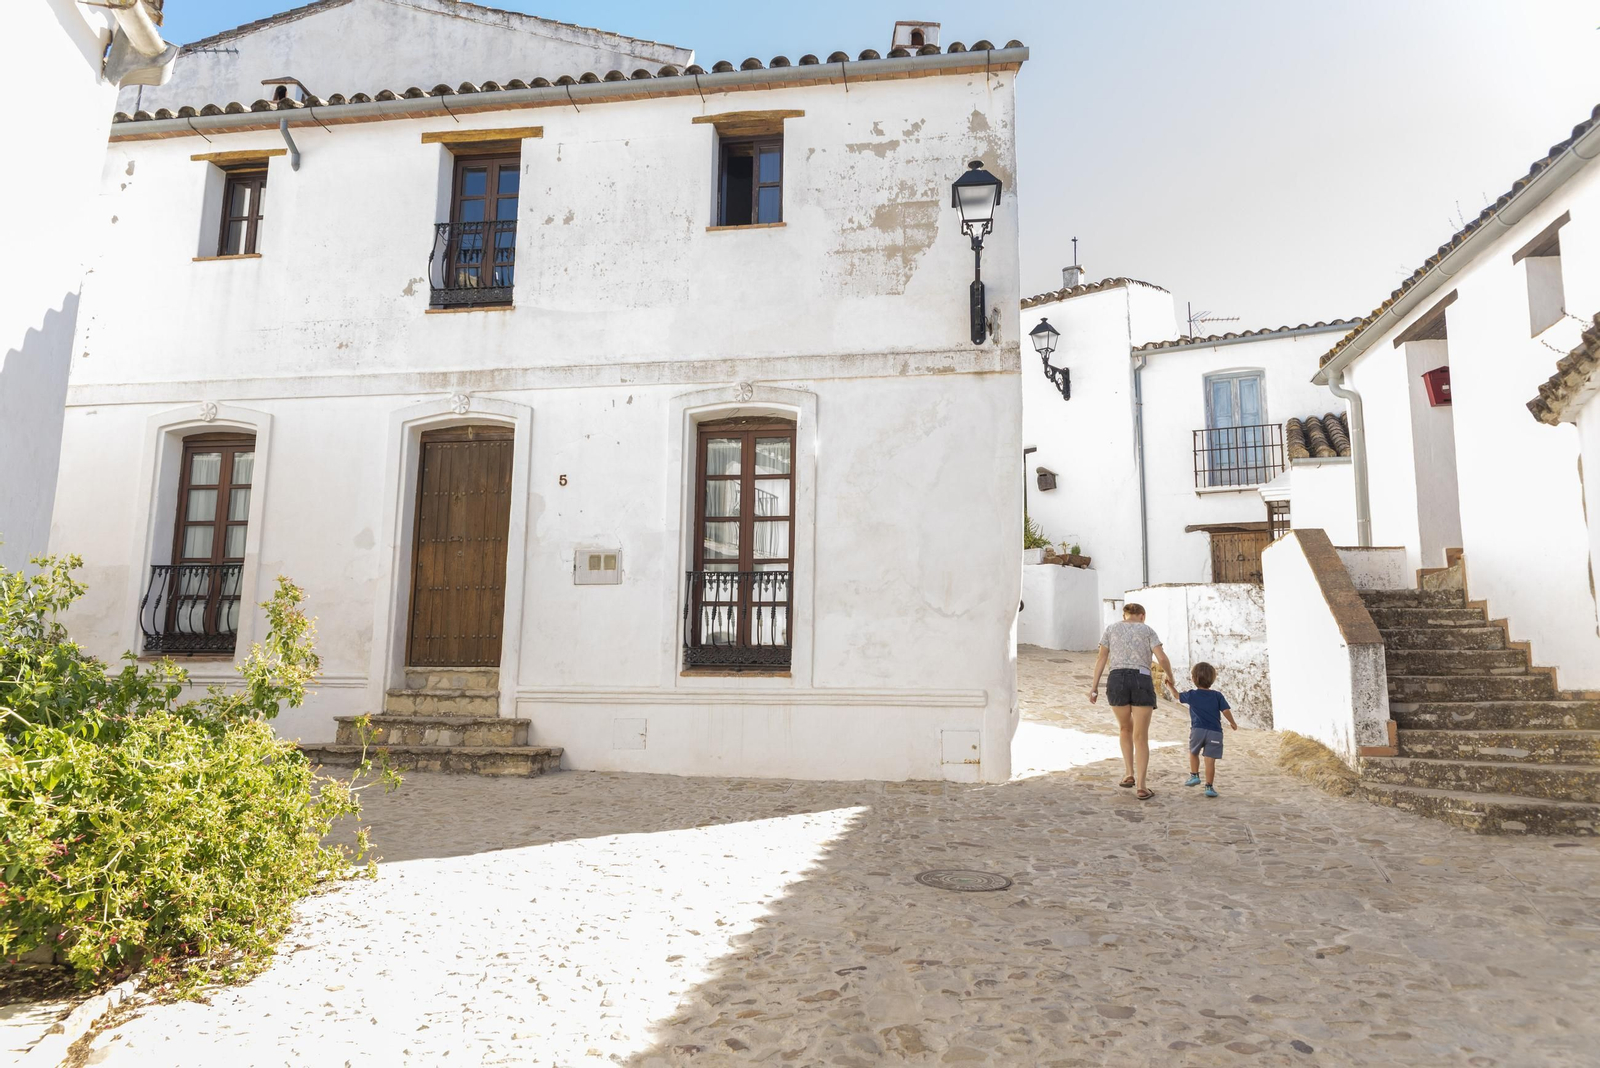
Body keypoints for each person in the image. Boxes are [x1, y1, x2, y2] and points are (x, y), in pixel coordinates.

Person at [1087, 603, 1175, 800]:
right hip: (1141, 679)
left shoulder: (1111, 629)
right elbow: (1161, 657)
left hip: (1116, 679)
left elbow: (1101, 658)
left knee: (1124, 728)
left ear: (1124, 615)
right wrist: (1170, 676)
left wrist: (1093, 687)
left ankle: (1129, 774)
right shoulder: (1148, 630)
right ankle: (1142, 787)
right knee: (1141, 736)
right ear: (1142, 616)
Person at [1166, 661, 1238, 798]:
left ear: (1194, 679)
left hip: (1197, 730)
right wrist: (1233, 723)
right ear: (1212, 679)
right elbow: (1226, 710)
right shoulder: (1217, 695)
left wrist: (1169, 686)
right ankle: (1209, 787)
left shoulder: (1192, 694)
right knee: (1210, 761)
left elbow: (1176, 696)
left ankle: (1194, 775)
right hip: (1215, 732)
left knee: (1194, 752)